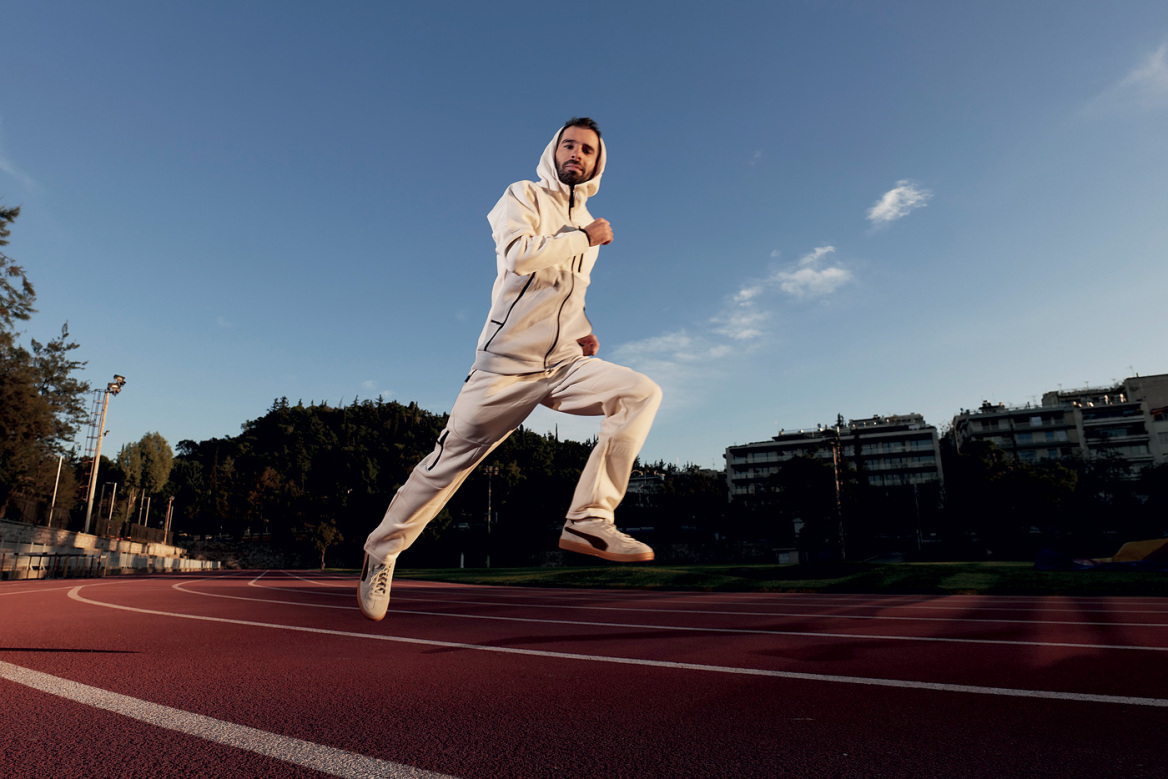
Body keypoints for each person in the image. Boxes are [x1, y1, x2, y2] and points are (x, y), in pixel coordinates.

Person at [358, 118, 662, 621]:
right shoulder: (522, 195)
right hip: (504, 366)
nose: (576, 154)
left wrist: (584, 328)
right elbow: (519, 258)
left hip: (563, 362)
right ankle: (382, 551)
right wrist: (582, 236)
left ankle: (589, 518)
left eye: (587, 150)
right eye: (569, 144)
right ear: (554, 150)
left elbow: (564, 294)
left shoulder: (587, 221)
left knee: (640, 392)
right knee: (445, 466)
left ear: (597, 163)